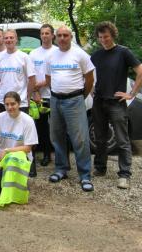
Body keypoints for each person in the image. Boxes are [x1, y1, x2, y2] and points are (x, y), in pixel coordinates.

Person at [90, 21, 142, 190]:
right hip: (99, 101)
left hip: (116, 103)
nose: (103, 40)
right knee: (100, 138)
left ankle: (124, 175)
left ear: (113, 35)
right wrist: (91, 88)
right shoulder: (96, 55)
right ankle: (100, 168)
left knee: (122, 140)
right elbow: (87, 73)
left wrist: (131, 94)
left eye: (106, 36)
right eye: (100, 37)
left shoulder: (123, 52)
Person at [44, 26, 95, 192]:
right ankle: (61, 169)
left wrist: (80, 96)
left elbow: (89, 79)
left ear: (71, 37)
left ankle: (85, 175)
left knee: (79, 139)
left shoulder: (80, 54)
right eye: (59, 35)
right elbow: (48, 77)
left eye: (65, 35)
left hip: (74, 100)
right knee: (57, 136)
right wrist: (57, 93)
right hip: (55, 100)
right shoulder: (51, 55)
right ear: (55, 37)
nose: (62, 38)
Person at [0, 92, 38, 193]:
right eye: (7, 104)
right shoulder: (0, 117)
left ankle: (17, 178)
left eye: (13, 104)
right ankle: (5, 176)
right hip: (1, 157)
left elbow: (28, 148)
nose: (10, 107)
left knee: (14, 189)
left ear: (19, 103)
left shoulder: (28, 120)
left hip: (20, 157)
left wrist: (8, 151)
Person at [28, 24, 59, 167]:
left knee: (57, 128)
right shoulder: (34, 53)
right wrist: (35, 92)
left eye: (47, 33)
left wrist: (43, 84)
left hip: (56, 96)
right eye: (42, 33)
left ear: (53, 35)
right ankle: (46, 154)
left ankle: (58, 156)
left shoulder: (58, 52)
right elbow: (31, 75)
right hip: (39, 97)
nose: (45, 36)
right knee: (41, 128)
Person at [0, 29, 36, 114]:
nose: (9, 40)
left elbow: (32, 79)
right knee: (5, 127)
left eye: (11, 38)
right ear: (4, 40)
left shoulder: (24, 57)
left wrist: (28, 97)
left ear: (16, 39)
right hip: (3, 102)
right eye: (6, 38)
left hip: (20, 102)